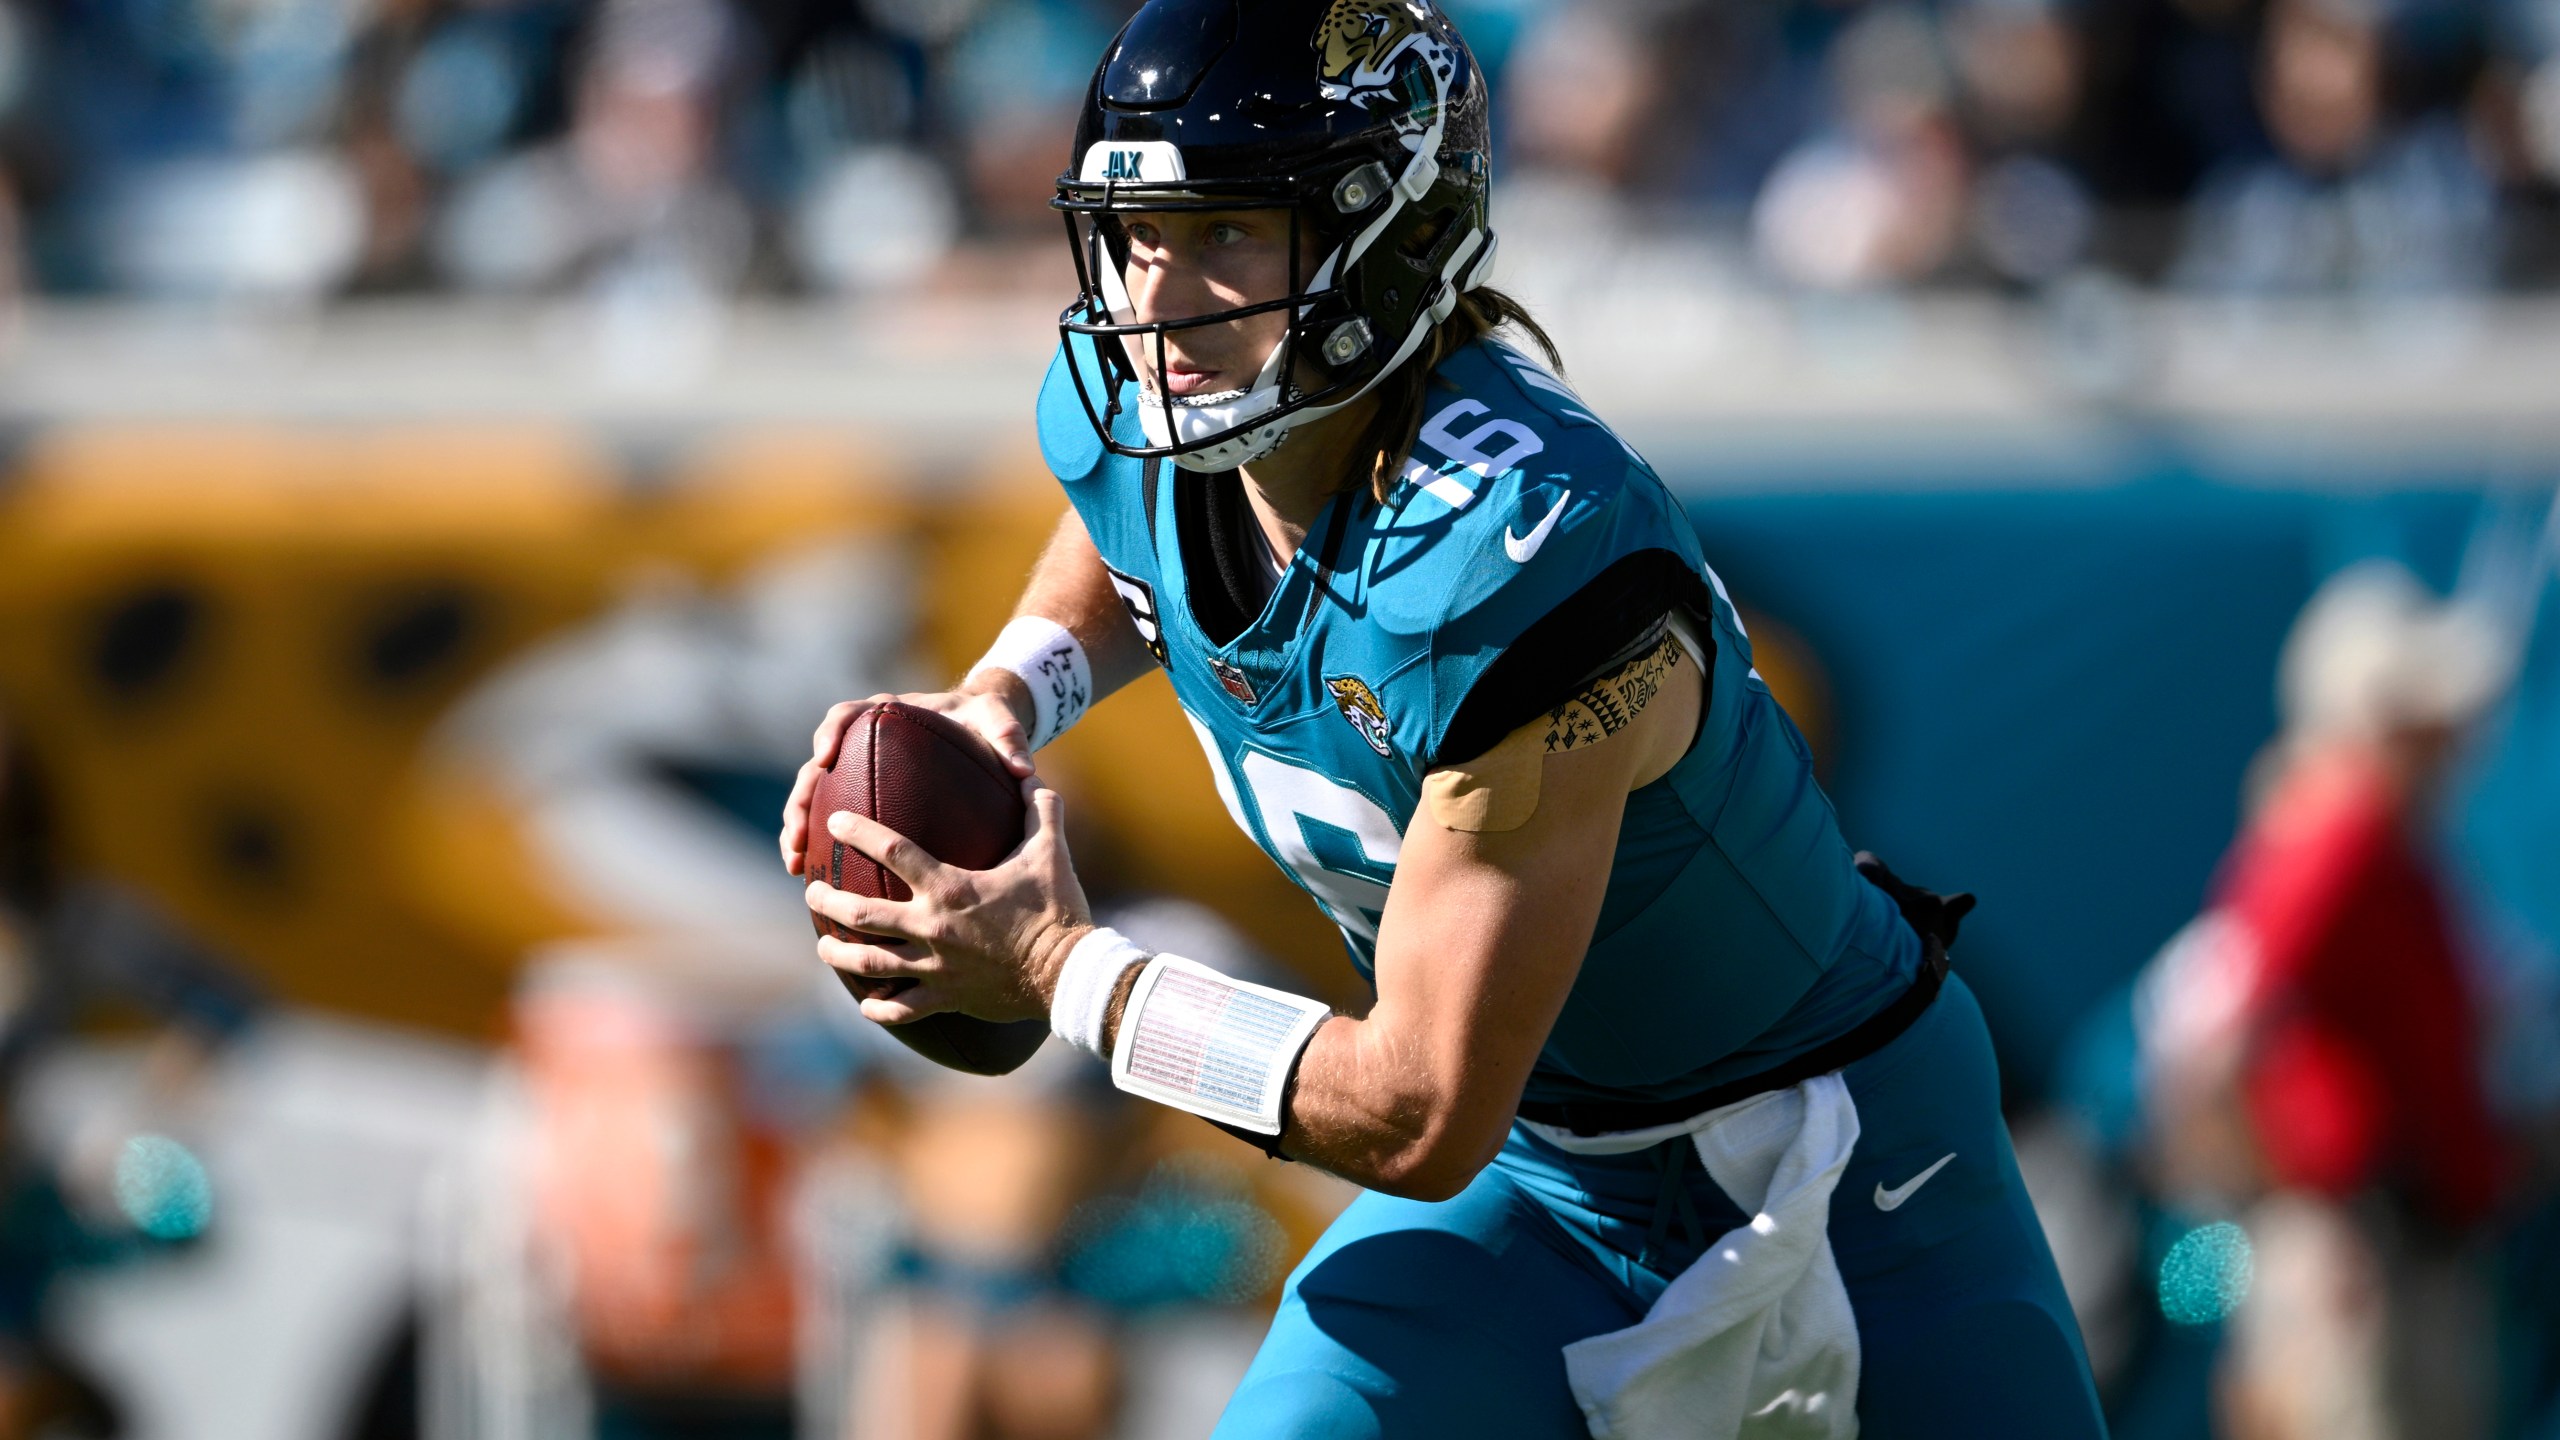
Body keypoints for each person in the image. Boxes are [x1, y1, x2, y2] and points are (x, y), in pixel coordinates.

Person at [779, 1, 2103, 1434]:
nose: (1157, 303)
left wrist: (1061, 972)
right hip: (1541, 1192)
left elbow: (1415, 1108)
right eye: (1136, 236)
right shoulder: (1172, 407)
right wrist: (1003, 698)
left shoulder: (1520, 557)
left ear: (1387, 240)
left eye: (1225, 233)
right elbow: (1124, 523)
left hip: (1849, 1167)